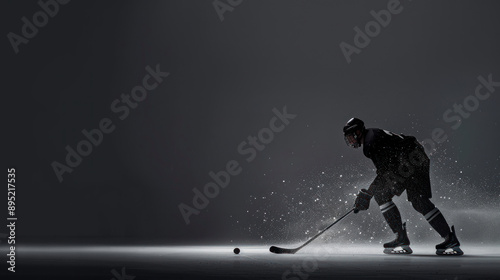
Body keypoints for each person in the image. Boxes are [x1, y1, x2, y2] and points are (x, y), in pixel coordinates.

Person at [343, 117, 463, 255]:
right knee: (409, 199)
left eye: (351, 136)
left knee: (406, 199)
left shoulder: (371, 142)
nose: (350, 141)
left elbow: (385, 171)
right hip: (410, 160)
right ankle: (445, 238)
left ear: (358, 132)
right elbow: (386, 171)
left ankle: (404, 238)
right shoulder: (371, 137)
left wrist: (368, 194)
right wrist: (369, 193)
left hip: (410, 161)